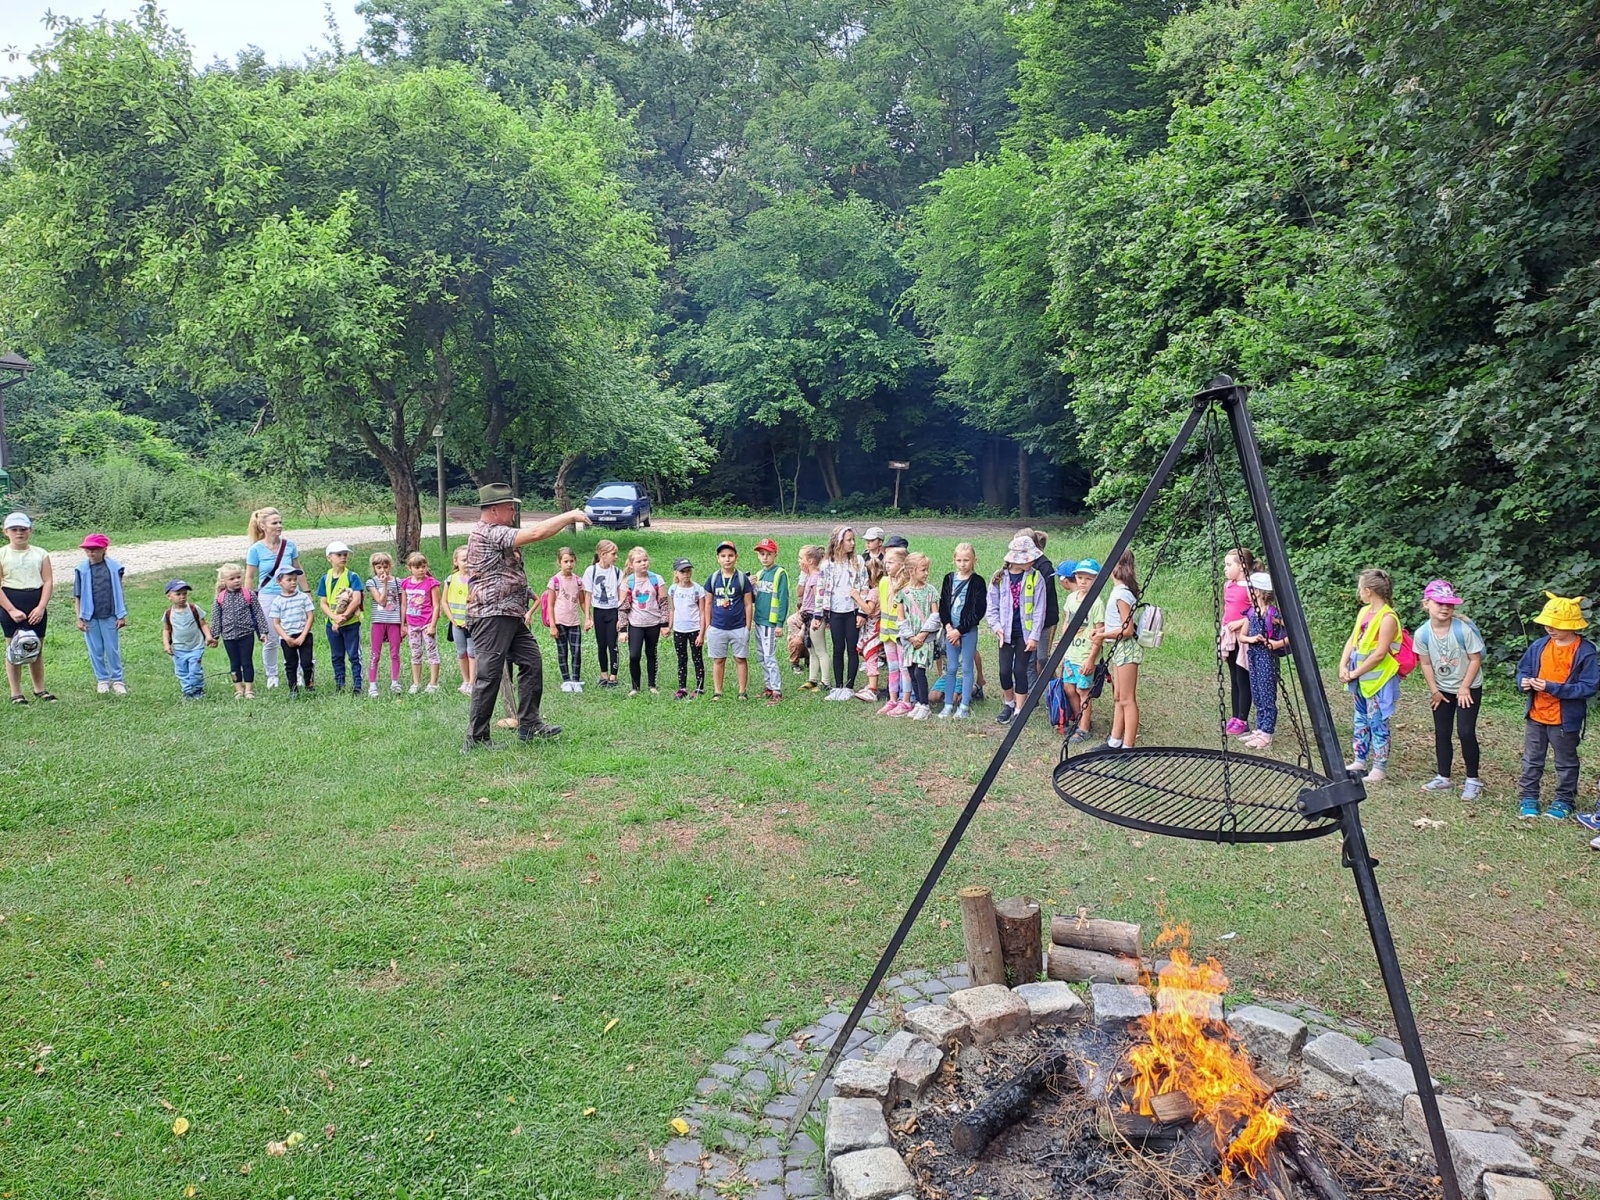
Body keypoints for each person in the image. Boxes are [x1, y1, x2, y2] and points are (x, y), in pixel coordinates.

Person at [462, 485, 587, 749]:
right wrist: (568, 516)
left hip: (510, 613)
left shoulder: (498, 532)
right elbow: (537, 533)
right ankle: (476, 737)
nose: (513, 512)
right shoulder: (488, 532)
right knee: (489, 675)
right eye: (509, 508)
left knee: (532, 662)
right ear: (494, 510)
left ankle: (529, 724)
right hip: (491, 614)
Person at [1515, 593, 1598, 820]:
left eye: (1556, 625)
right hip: (1536, 714)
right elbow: (1523, 669)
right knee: (1532, 758)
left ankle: (1564, 800)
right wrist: (1523, 682)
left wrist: (1553, 688)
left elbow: (1589, 686)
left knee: (1566, 762)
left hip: (1565, 719)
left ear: (1572, 626)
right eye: (1547, 624)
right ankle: (1528, 797)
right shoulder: (1539, 646)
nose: (1550, 628)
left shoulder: (1585, 651)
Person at [1414, 580, 1487, 800]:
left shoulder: (1462, 629)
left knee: (1465, 732)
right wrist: (1434, 690)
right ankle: (1443, 777)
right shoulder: (1422, 634)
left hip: (1468, 687)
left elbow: (1476, 660)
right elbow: (1425, 664)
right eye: (1439, 603)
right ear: (1426, 604)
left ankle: (1473, 780)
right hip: (1443, 689)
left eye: (1450, 604)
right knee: (1442, 732)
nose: (1445, 608)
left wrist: (1464, 687)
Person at [1338, 568, 1401, 782]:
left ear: (1368, 591)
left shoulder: (1388, 617)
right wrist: (1343, 664)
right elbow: (1353, 640)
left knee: (1377, 722)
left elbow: (1380, 652)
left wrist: (1355, 671)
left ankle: (1379, 767)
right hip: (1361, 679)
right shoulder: (1364, 612)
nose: (1359, 592)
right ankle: (1359, 758)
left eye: (1360, 589)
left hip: (1378, 680)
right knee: (1360, 719)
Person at [987, 534, 1047, 726]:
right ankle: (1009, 703)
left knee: (1019, 670)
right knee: (1004, 671)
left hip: (1025, 633)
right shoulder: (999, 577)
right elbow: (992, 607)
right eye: (1028, 558)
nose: (1031, 561)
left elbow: (1039, 609)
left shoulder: (1036, 578)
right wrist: (997, 628)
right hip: (1005, 632)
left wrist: (1034, 637)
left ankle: (1020, 709)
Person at [1229, 572, 1289, 750]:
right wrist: (1252, 639)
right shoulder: (1251, 612)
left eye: (1250, 590)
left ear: (1259, 592)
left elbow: (1293, 634)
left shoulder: (1272, 613)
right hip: (1254, 656)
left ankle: (1267, 734)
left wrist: (1277, 643)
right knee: (1257, 693)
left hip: (1267, 659)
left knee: (1267, 694)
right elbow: (1242, 636)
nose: (1248, 593)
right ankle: (1260, 728)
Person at [1092, 550, 1144, 748]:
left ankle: (1128, 745)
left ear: (1117, 567)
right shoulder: (1117, 591)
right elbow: (1118, 624)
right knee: (1118, 696)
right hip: (1118, 648)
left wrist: (1103, 635)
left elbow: (1128, 629)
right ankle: (1114, 740)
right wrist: (1103, 630)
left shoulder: (1122, 594)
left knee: (1127, 699)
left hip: (1126, 649)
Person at [243, 507, 301, 689]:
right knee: (270, 638)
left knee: (295, 633)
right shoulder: (256, 550)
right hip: (268, 596)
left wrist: (306, 592)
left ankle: (299, 672)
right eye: (274, 523)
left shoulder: (289, 546)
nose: (279, 526)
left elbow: (299, 569)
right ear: (263, 526)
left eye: (280, 522)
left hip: (291, 594)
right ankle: (272, 675)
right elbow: (250, 576)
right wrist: (248, 598)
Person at [1, 512, 55, 704]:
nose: (19, 533)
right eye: (14, 529)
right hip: (11, 603)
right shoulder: (2, 554)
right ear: (6, 531)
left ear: (30, 531)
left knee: (36, 647)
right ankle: (16, 693)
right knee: (13, 648)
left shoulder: (40, 553)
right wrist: (11, 609)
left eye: (23, 529)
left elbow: (48, 581)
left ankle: (39, 689)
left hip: (35, 603)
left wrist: (41, 607)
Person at [1056, 558, 1104, 741]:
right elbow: (1066, 622)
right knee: (1069, 687)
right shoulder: (1070, 599)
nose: (1083, 582)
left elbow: (1099, 632)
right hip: (1071, 653)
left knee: (1083, 690)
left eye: (1088, 578)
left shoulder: (1097, 604)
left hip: (1085, 655)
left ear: (1096, 580)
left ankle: (1084, 729)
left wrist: (1091, 659)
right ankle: (1079, 719)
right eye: (1080, 577)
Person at [73, 533, 127, 695]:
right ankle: (102, 679)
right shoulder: (81, 570)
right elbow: (77, 596)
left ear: (104, 549)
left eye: (95, 549)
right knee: (95, 649)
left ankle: (117, 680)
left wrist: (121, 615)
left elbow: (118, 592)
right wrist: (79, 618)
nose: (91, 553)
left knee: (112, 649)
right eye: (87, 550)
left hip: (110, 614)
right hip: (90, 616)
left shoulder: (115, 568)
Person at [936, 542, 985, 719]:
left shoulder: (977, 581)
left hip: (968, 631)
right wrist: (949, 627)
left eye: (966, 560)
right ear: (954, 560)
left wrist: (959, 630)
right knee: (951, 667)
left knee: (966, 667)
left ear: (974, 560)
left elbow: (978, 610)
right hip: (951, 631)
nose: (963, 564)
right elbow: (943, 605)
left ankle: (964, 705)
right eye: (959, 560)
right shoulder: (949, 578)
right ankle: (948, 704)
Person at [817, 526, 866, 700]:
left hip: (852, 611)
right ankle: (838, 686)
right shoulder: (827, 564)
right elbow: (821, 590)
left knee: (852, 648)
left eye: (853, 540)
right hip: (835, 612)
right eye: (848, 540)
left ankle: (849, 686)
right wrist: (818, 614)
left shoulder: (858, 562)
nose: (852, 543)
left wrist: (862, 613)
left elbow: (864, 587)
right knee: (838, 648)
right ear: (838, 542)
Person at [703, 541, 754, 701]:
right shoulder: (713, 579)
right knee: (719, 660)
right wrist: (708, 626)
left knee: (740, 659)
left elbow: (748, 604)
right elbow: (708, 603)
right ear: (718, 558)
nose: (727, 559)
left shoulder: (741, 579)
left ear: (736, 557)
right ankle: (718, 691)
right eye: (723, 556)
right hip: (717, 627)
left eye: (730, 556)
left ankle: (742, 691)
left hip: (738, 626)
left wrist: (748, 627)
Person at [213, 562, 268, 699]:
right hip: (228, 636)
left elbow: (258, 614)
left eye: (238, 577)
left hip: (246, 635)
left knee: (247, 661)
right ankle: (238, 688)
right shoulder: (220, 597)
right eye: (232, 579)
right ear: (224, 581)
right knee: (234, 662)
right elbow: (216, 617)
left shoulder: (248, 594)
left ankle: (249, 688)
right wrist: (214, 636)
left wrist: (263, 632)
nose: (236, 580)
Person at [316, 541, 365, 694]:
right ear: (329, 558)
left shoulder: (352, 576)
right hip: (332, 624)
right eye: (339, 555)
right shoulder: (325, 578)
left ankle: (357, 685)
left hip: (351, 623)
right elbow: (323, 603)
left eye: (345, 555)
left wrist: (343, 617)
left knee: (354, 655)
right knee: (336, 656)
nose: (343, 557)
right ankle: (340, 684)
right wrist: (334, 618)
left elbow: (357, 599)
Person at [1220, 547, 1258, 735]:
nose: (1225, 569)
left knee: (1243, 678)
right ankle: (1235, 716)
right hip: (1229, 637)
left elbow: (1258, 613)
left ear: (1242, 566)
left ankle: (1243, 719)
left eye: (1228, 565)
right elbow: (1227, 609)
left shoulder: (1251, 588)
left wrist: (1241, 622)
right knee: (1234, 678)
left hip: (1243, 638)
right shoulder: (1228, 585)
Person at [620, 546, 667, 695]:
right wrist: (622, 629)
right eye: (639, 561)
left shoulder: (656, 579)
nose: (643, 563)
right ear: (632, 564)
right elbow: (623, 607)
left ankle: (652, 685)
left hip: (653, 623)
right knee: (634, 655)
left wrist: (664, 624)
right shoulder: (628, 582)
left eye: (645, 560)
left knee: (651, 654)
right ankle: (635, 687)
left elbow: (664, 603)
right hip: (636, 624)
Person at [899, 553, 940, 719]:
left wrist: (922, 635)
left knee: (919, 672)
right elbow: (900, 618)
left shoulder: (930, 591)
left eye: (927, 569)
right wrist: (910, 637)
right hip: (910, 642)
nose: (926, 573)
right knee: (910, 670)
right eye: (923, 570)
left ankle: (924, 704)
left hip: (925, 641)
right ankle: (918, 703)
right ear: (911, 571)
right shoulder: (903, 593)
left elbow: (935, 615)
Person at [546, 546, 589, 693]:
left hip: (574, 621)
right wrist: (552, 625)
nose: (569, 564)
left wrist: (588, 617)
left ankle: (576, 680)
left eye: (571, 561)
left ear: (575, 561)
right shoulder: (555, 581)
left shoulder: (578, 581)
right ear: (559, 563)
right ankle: (566, 680)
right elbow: (550, 604)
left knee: (576, 650)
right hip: (559, 622)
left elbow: (582, 601)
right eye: (565, 561)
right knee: (562, 651)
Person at [162, 579, 216, 698]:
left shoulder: (194, 609)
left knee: (195, 670)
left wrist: (208, 637)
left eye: (184, 593)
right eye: (178, 594)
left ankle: (197, 690)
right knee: (182, 672)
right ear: (169, 596)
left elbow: (203, 624)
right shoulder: (168, 613)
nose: (182, 597)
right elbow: (166, 630)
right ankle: (187, 691)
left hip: (196, 647)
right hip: (179, 649)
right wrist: (166, 644)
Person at [752, 538, 790, 704]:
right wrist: (750, 586)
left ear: (775, 555)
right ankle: (768, 686)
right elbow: (756, 598)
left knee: (769, 656)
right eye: (762, 554)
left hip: (770, 622)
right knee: (761, 655)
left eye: (768, 554)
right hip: (759, 620)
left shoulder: (779, 573)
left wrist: (779, 624)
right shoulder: (760, 575)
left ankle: (776, 690)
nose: (765, 557)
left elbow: (783, 599)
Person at [400, 552, 443, 695]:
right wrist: (403, 624)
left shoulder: (431, 583)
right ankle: (416, 682)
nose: (421, 570)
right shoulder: (405, 583)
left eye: (423, 566)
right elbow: (404, 605)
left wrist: (433, 625)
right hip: (412, 624)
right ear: (409, 568)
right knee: (415, 652)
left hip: (426, 623)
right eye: (417, 567)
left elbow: (436, 605)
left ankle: (433, 683)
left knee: (431, 651)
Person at [584, 540, 623, 689]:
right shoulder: (591, 571)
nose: (616, 557)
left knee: (612, 644)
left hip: (613, 611)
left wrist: (621, 617)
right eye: (613, 554)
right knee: (601, 644)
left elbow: (621, 595)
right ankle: (604, 675)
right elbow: (588, 594)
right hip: (599, 611)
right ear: (603, 555)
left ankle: (614, 676)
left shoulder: (617, 572)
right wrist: (588, 617)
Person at [270, 568, 316, 695]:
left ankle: (309, 685)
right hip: (287, 637)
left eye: (295, 579)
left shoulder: (303, 597)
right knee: (291, 664)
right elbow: (276, 623)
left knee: (307, 662)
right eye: (289, 580)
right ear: (280, 581)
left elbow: (310, 616)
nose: (293, 582)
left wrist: (303, 635)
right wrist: (286, 637)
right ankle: (293, 688)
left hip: (304, 634)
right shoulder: (277, 601)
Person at [366, 552, 404, 697]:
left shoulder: (398, 582)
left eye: (385, 566)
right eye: (379, 567)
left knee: (395, 653)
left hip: (394, 622)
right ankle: (372, 685)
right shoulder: (372, 582)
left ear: (390, 566)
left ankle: (395, 682)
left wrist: (403, 625)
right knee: (375, 654)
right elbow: (381, 601)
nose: (383, 570)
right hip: (379, 621)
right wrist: (385, 584)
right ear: (374, 568)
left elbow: (402, 604)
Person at [669, 557, 707, 699]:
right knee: (681, 659)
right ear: (676, 573)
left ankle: (699, 687)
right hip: (679, 630)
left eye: (688, 571)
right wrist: (669, 626)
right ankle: (682, 687)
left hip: (694, 629)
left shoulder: (698, 589)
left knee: (697, 658)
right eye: (682, 571)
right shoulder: (673, 589)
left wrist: (701, 634)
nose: (686, 574)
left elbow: (702, 612)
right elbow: (672, 609)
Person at [443, 546, 475, 695]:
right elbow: (444, 602)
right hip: (456, 623)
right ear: (456, 562)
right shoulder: (450, 580)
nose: (467, 562)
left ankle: (473, 682)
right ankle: (466, 680)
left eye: (469, 559)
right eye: (463, 560)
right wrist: (453, 620)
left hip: (472, 623)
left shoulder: (475, 579)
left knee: (472, 652)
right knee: (461, 652)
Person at [1029, 529, 1061, 676]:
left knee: (1042, 658)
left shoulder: (1045, 566)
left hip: (1047, 620)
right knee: (1032, 659)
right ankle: (1035, 689)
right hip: (1032, 620)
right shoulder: (1024, 564)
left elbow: (1043, 596)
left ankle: (1055, 688)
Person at [797, 545, 827, 692]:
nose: (798, 561)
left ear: (810, 561)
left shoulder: (815, 577)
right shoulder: (810, 576)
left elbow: (818, 599)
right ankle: (812, 679)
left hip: (815, 618)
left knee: (820, 650)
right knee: (812, 650)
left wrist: (818, 617)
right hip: (809, 616)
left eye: (801, 558)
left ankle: (825, 682)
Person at [856, 559, 883, 703]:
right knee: (869, 656)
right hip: (878, 628)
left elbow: (869, 609)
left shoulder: (874, 592)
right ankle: (871, 685)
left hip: (873, 629)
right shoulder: (883, 589)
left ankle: (872, 689)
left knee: (871, 657)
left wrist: (857, 597)